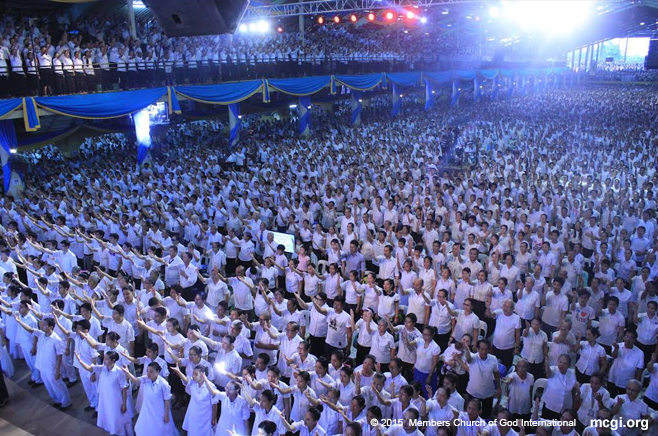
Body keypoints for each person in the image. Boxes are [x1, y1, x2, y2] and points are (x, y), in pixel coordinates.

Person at [14, 314, 71, 409]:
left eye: (44, 324)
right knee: (49, 386)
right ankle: (57, 400)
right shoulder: (41, 334)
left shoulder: (56, 339)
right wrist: (20, 321)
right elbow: (30, 329)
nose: (41, 326)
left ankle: (66, 402)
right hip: (42, 365)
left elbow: (60, 356)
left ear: (50, 327)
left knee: (57, 385)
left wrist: (58, 370)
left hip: (51, 367)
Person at [75, 350, 133, 436]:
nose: (104, 360)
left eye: (106, 359)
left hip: (115, 400)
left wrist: (124, 403)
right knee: (109, 416)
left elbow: (124, 388)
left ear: (113, 360)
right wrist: (79, 360)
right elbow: (89, 368)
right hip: (105, 398)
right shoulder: (102, 368)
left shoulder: (119, 372)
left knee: (117, 417)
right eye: (104, 358)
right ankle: (113, 430)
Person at [119, 362, 179, 436]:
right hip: (147, 409)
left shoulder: (163, 384)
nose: (148, 373)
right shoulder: (145, 379)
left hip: (159, 410)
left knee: (161, 429)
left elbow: (167, 399)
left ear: (158, 372)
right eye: (147, 371)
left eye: (151, 372)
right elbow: (136, 380)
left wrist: (166, 414)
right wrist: (127, 372)